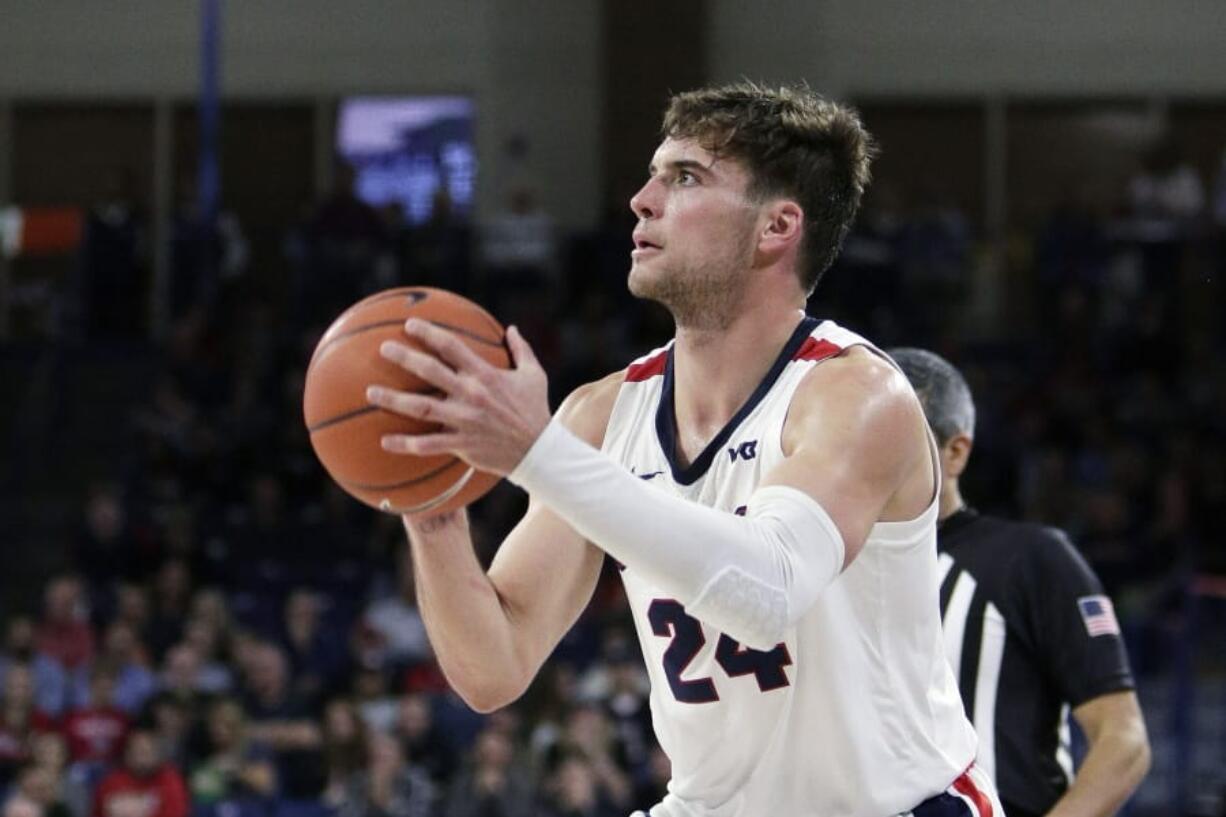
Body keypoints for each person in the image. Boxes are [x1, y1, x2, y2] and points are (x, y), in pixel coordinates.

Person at [366, 81, 1000, 816]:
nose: (641, 198)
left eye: (685, 177)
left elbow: (768, 590)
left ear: (776, 227)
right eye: (653, 173)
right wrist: (430, 500)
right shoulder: (600, 416)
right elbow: (492, 667)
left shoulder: (858, 397)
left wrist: (537, 454)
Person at [889, 348, 1152, 817]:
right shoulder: (825, 566)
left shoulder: (1029, 559)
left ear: (955, 452)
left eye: (890, 441)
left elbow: (1123, 740)